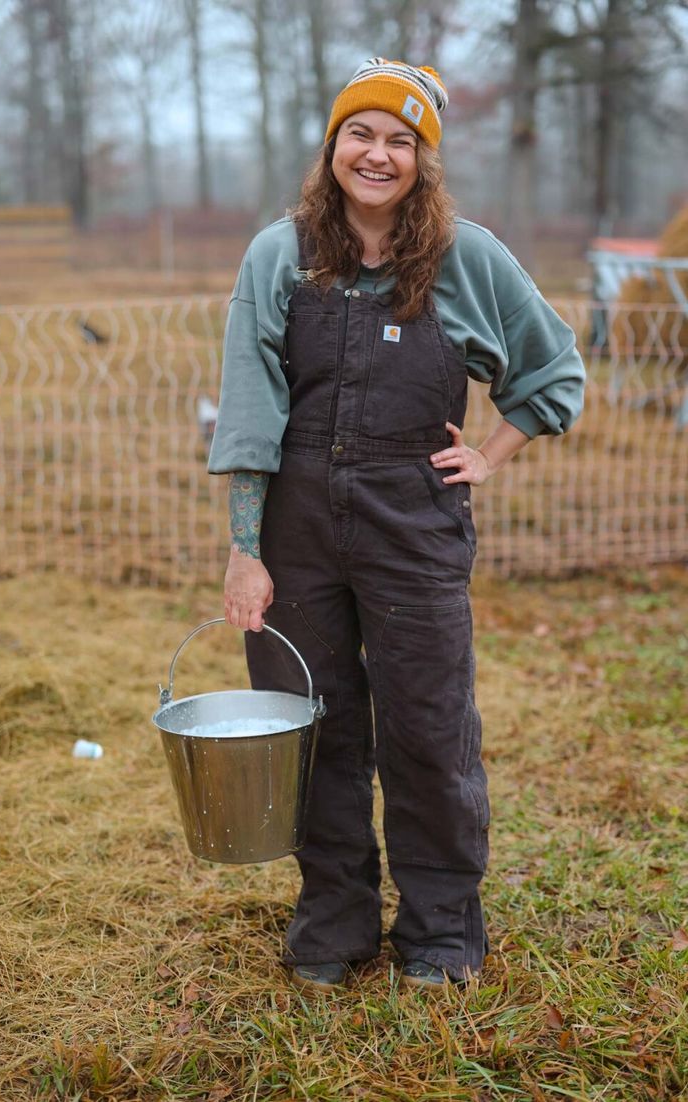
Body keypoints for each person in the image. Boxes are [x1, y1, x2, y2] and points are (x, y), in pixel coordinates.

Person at [208, 57, 585, 994]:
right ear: (332, 145)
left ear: (422, 158)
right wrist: (245, 551)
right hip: (295, 529)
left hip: (412, 528)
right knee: (314, 725)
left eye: (399, 140)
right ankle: (334, 921)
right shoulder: (278, 255)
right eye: (359, 134)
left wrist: (489, 456)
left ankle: (442, 929)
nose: (376, 154)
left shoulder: (466, 256)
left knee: (426, 727)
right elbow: (251, 412)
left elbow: (552, 373)